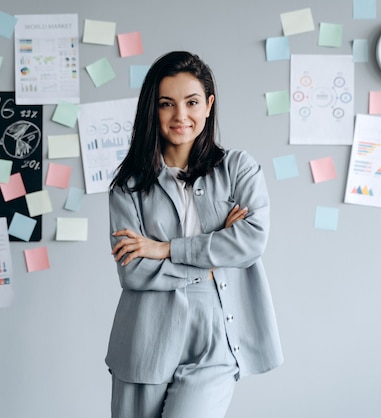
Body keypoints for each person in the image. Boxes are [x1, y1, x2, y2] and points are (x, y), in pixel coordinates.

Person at [106, 51, 283, 418]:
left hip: (215, 337)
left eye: (191, 102)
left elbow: (251, 241)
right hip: (145, 341)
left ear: (208, 105)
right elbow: (133, 271)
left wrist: (164, 249)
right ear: (151, 109)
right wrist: (215, 256)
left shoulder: (239, 169)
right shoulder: (128, 186)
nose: (180, 116)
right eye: (166, 104)